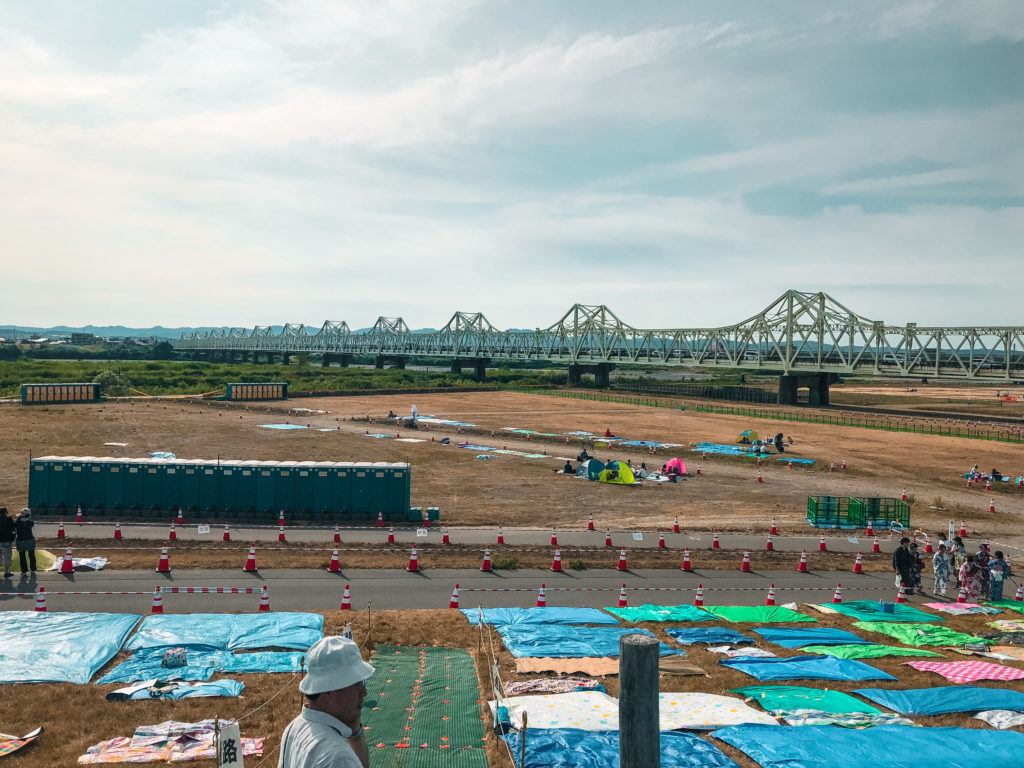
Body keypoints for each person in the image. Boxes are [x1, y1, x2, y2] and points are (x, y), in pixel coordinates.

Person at [278, 635, 375, 768]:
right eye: (356, 683)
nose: (364, 692)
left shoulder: (294, 728)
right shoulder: (339, 758)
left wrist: (354, 731)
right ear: (329, 691)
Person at [14, 508, 35, 575]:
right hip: (30, 540)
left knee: (22, 556)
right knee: (31, 555)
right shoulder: (31, 522)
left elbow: (15, 527)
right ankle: (33, 569)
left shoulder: (17, 522)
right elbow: (30, 525)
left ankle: (24, 571)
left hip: (20, 540)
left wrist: (18, 518)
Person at [0, 507, 14, 579]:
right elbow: (13, 529)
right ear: (6, 512)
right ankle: (6, 572)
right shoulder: (9, 519)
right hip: (7, 541)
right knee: (7, 556)